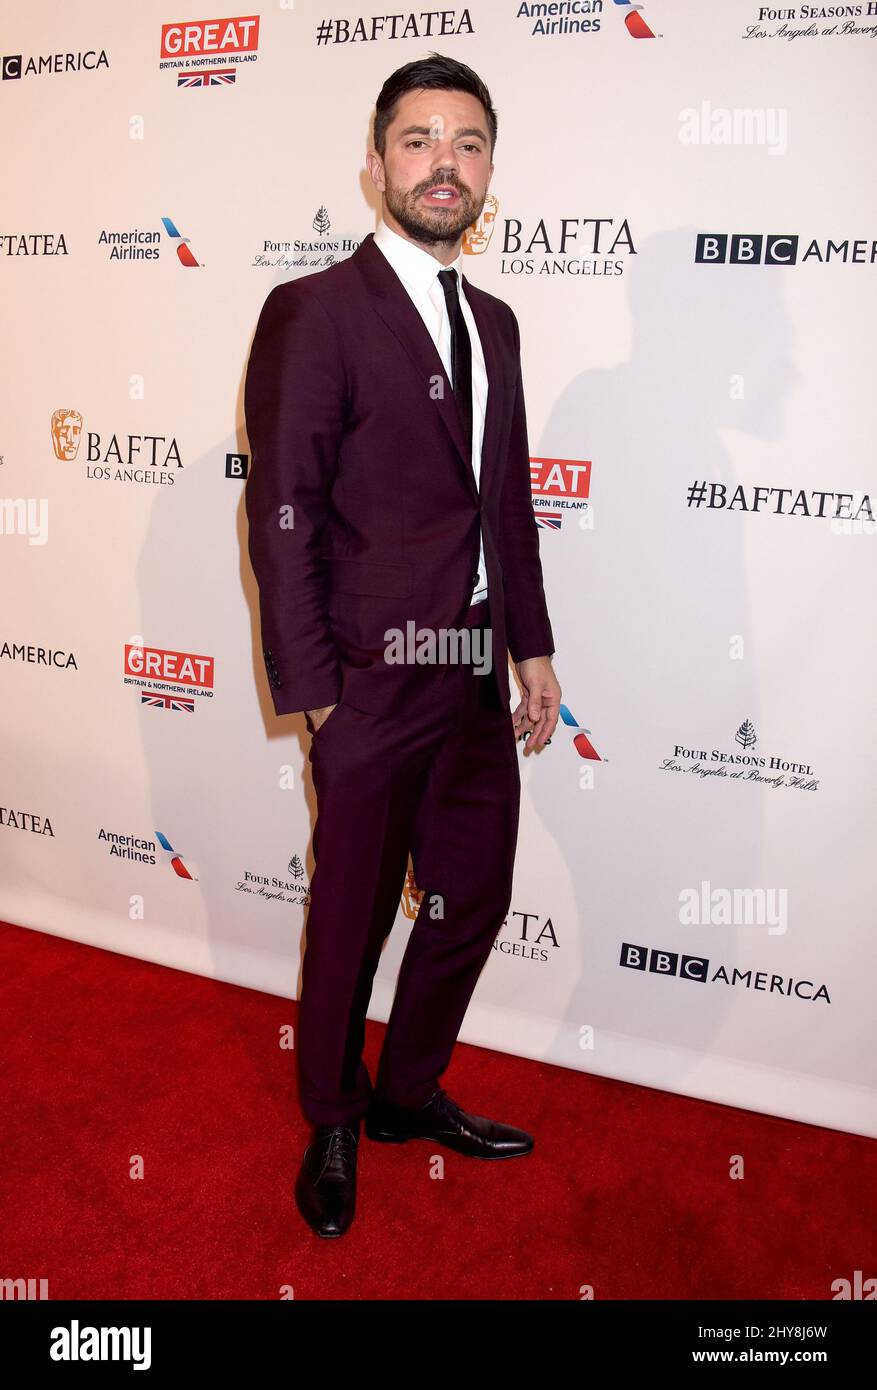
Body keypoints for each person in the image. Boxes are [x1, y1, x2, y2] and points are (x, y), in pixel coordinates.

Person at [244, 52, 561, 1238]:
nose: (445, 162)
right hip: (371, 680)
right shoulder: (314, 311)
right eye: (420, 140)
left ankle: (406, 1090)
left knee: (471, 895)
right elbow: (280, 509)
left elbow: (506, 501)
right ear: (376, 163)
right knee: (353, 911)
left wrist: (529, 645)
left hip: (476, 668)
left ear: (488, 172)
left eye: (468, 143)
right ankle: (331, 1109)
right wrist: (320, 692)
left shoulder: (499, 322)